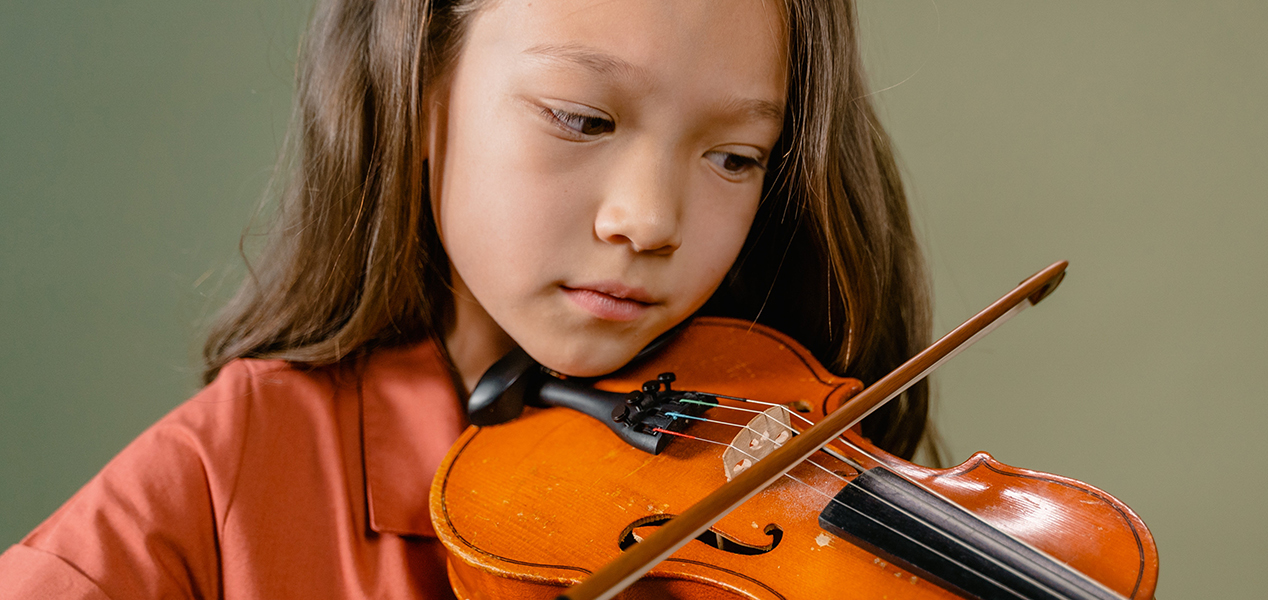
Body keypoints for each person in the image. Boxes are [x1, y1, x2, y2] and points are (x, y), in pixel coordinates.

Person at [0, 0, 936, 597]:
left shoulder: (780, 459)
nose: (650, 220)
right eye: (582, 118)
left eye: (734, 157)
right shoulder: (227, 478)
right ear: (415, 90)